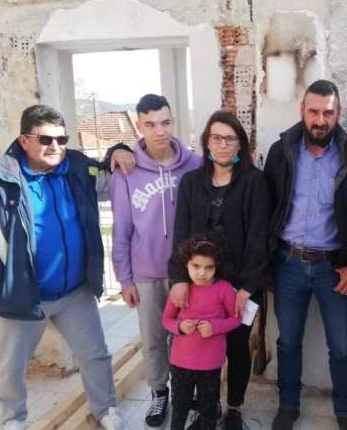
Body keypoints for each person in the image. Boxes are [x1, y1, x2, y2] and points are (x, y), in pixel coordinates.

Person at [0, 104, 135, 430]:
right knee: (11, 368)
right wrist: (0, 289)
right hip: (22, 296)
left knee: (95, 356)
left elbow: (110, 176)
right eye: (45, 139)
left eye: (61, 139)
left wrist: (119, 149)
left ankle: (106, 409)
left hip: (74, 292)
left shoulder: (78, 168)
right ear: (23, 140)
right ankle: (13, 419)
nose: (55, 146)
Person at [264, 79, 347, 430]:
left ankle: (345, 411)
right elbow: (267, 205)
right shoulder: (281, 151)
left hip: (335, 268)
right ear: (302, 110)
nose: (320, 120)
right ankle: (288, 406)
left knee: (342, 345)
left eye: (328, 113)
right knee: (288, 342)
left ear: (338, 113)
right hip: (288, 264)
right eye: (314, 111)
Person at [168, 110, 270, 430]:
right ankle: (207, 407)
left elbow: (260, 237)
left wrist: (247, 287)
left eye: (230, 138)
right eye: (216, 138)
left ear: (240, 144)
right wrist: (179, 279)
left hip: (241, 285)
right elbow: (181, 233)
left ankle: (235, 408)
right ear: (207, 142)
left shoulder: (254, 182)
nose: (223, 144)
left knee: (238, 347)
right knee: (202, 345)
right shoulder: (191, 183)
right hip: (200, 283)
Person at [110, 94, 201, 428]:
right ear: (139, 126)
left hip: (188, 273)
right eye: (150, 124)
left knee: (186, 338)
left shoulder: (194, 165)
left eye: (165, 122)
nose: (159, 131)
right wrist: (125, 279)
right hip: (146, 272)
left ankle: (186, 395)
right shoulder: (126, 170)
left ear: (173, 121)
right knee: (152, 340)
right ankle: (159, 392)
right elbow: (121, 229)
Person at [163, 236, 242, 430]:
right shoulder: (180, 289)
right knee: (180, 405)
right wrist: (180, 327)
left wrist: (215, 327)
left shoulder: (224, 289)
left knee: (208, 409)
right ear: (186, 264)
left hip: (210, 364)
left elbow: (236, 319)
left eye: (209, 267)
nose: (201, 273)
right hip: (181, 362)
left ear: (216, 266)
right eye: (195, 266)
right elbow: (166, 320)